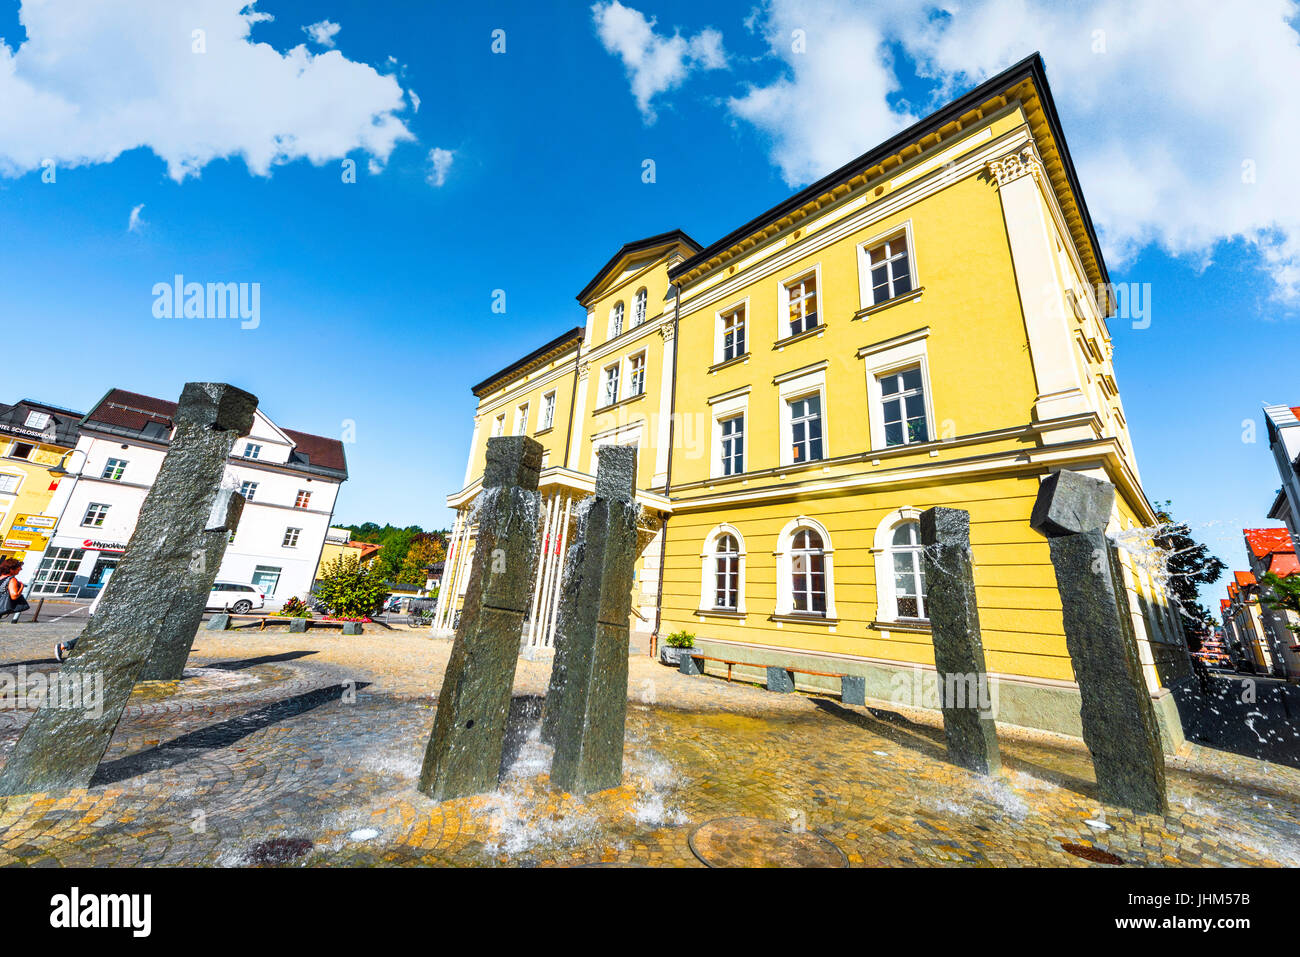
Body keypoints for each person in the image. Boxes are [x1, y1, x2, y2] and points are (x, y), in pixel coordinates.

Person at [0, 558, 31, 624]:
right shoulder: (11, 580)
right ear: (11, 569)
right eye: (19, 568)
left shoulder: (1, 578)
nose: (20, 569)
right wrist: (21, 587)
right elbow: (14, 596)